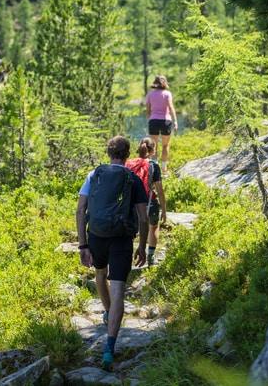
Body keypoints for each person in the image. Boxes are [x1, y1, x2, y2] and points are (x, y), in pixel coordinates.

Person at [76, 136, 149, 371]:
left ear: (108, 153)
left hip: (96, 236)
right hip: (121, 239)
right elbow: (144, 218)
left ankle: (108, 313)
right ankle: (109, 347)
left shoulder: (93, 175)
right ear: (128, 155)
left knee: (100, 273)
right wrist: (143, 246)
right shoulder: (134, 179)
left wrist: (83, 245)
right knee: (118, 289)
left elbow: (80, 210)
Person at [126, 137, 167, 266]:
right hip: (150, 202)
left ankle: (127, 258)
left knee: (130, 231)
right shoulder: (153, 166)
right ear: (153, 150)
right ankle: (150, 256)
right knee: (153, 227)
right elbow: (159, 190)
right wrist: (164, 211)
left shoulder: (129, 163)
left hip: (132, 204)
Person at [145, 74, 178, 168]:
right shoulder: (167, 94)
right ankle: (164, 168)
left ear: (155, 83)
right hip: (166, 121)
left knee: (153, 146)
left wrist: (149, 119)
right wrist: (175, 121)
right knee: (165, 145)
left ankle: (155, 167)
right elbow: (171, 107)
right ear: (165, 83)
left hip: (153, 121)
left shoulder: (150, 94)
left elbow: (148, 109)